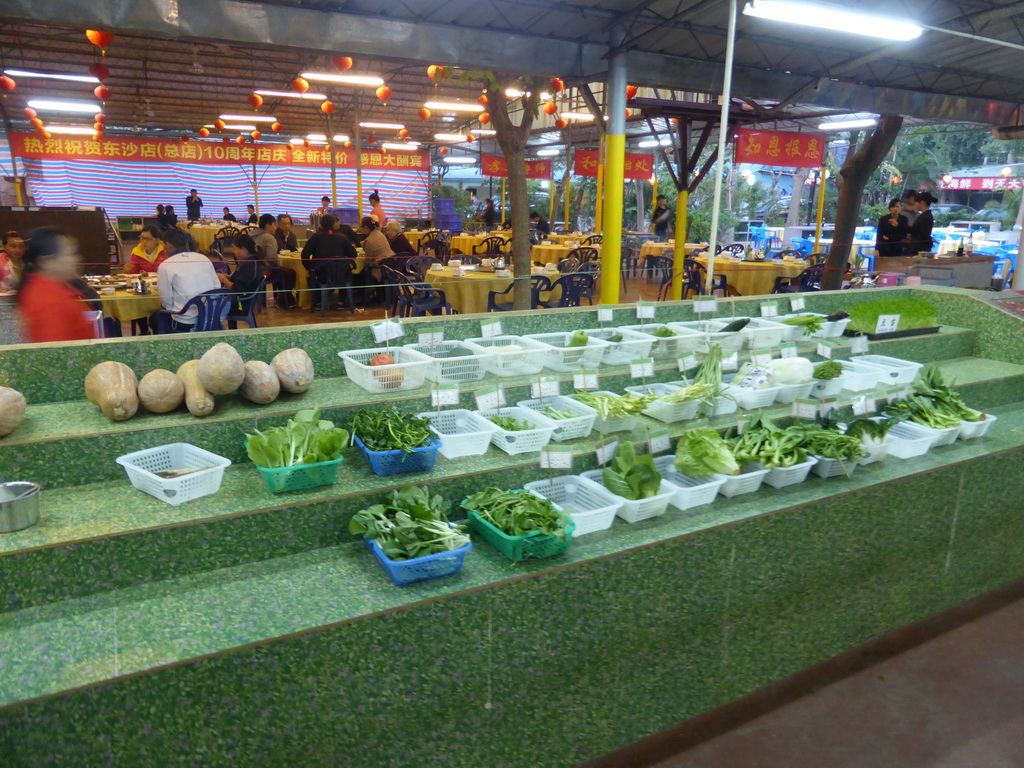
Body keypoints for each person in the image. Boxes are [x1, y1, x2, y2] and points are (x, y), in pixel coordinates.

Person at [16, 227, 94, 343]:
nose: (77, 259)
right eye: (71, 254)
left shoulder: (52, 289)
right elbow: (56, 353)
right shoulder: (48, 300)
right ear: (47, 262)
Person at [157, 228, 220, 331]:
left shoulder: (166, 265)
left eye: (162, 244)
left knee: (155, 319)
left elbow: (166, 300)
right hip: (210, 318)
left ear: (167, 244)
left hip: (184, 321)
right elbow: (216, 288)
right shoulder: (204, 258)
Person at [254, 213, 297, 309]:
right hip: (264, 270)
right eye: (273, 225)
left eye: (289, 223)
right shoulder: (269, 237)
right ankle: (284, 300)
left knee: (283, 271)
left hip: (252, 269)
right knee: (290, 273)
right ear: (268, 226)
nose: (274, 227)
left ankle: (284, 298)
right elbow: (272, 258)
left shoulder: (251, 235)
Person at [906, 191, 937, 256]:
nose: (915, 204)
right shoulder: (924, 216)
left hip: (919, 249)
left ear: (922, 203)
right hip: (918, 248)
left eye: (916, 202)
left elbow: (924, 234)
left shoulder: (925, 217)